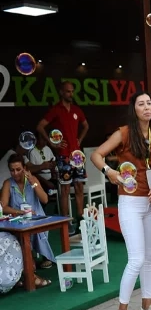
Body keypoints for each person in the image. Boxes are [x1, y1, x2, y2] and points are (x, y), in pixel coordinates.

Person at [92, 91, 151, 310]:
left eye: (149, 103)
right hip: (129, 202)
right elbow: (96, 155)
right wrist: (109, 171)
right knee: (136, 259)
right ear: (133, 109)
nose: (147, 107)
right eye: (141, 103)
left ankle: (146, 307)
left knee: (148, 258)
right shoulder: (124, 132)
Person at [36, 81, 90, 232]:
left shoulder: (76, 110)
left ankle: (80, 220)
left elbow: (86, 126)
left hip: (77, 156)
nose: (70, 94)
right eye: (67, 91)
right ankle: (66, 222)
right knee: (65, 190)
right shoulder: (55, 110)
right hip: (63, 156)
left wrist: (79, 139)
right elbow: (40, 126)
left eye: (72, 91)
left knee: (79, 187)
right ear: (61, 92)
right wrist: (52, 144)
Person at [1, 154, 56, 283]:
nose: (15, 173)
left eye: (18, 169)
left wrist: (33, 183)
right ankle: (27, 270)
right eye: (12, 170)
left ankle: (32, 266)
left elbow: (45, 199)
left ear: (25, 168)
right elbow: (3, 207)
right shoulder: (8, 183)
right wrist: (20, 212)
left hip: (37, 218)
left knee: (33, 231)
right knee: (21, 234)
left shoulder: (33, 180)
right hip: (18, 220)